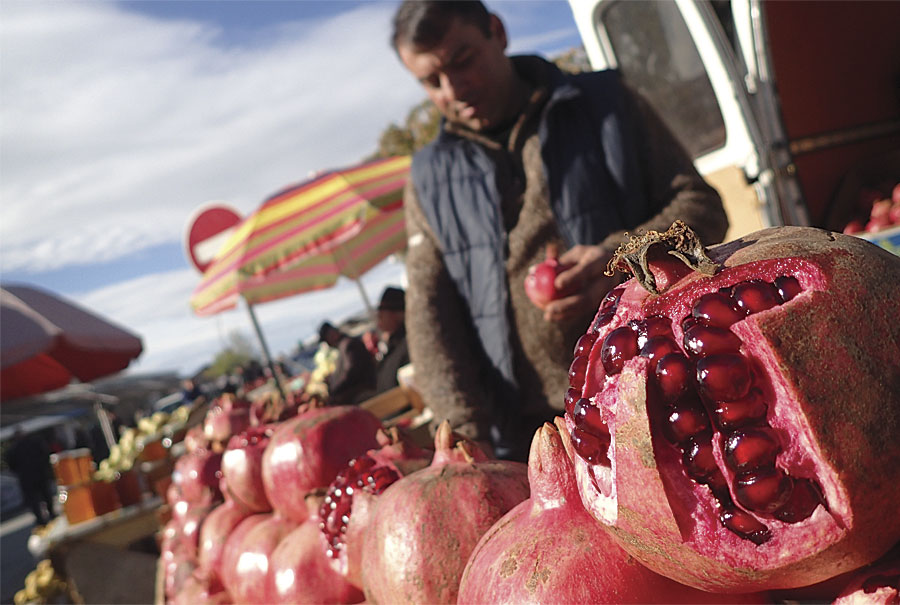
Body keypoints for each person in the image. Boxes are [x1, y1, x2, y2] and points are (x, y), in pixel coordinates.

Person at [391, 1, 729, 460]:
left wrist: (618, 258)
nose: (453, 88)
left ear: (497, 31)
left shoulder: (605, 105)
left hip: (651, 396)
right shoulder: (428, 178)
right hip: (530, 437)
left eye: (463, 60)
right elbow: (430, 316)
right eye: (432, 81)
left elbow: (701, 207)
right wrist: (467, 433)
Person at [5, 428, 57, 525]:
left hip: (27, 478)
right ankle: (51, 513)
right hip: (39, 474)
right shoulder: (35, 442)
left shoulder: (13, 449)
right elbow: (45, 455)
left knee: (34, 500)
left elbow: (12, 466)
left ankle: (40, 518)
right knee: (46, 495)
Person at [318, 321, 377, 405]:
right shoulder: (344, 345)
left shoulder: (349, 345)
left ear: (332, 334)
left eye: (327, 340)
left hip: (364, 393)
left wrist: (335, 389)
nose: (328, 344)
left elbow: (351, 372)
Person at [373, 286, 411, 395]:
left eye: (380, 315)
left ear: (396, 314)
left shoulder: (407, 343)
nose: (378, 320)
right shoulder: (394, 343)